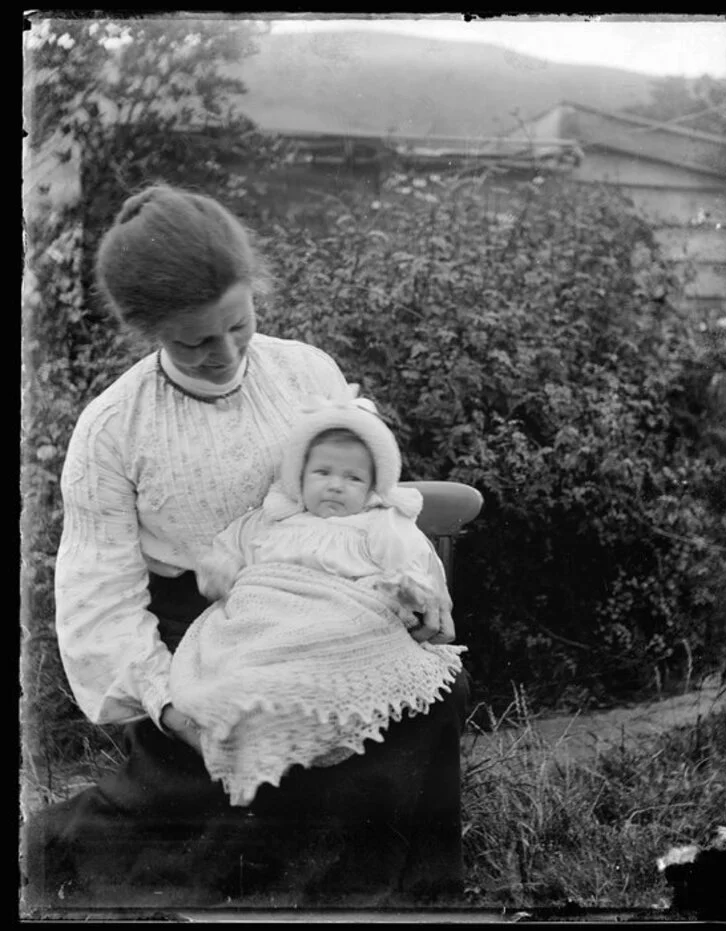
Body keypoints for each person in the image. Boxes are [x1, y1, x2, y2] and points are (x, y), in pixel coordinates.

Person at [22, 184, 469, 910]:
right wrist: (175, 708)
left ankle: (401, 904)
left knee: (422, 700)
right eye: (195, 341)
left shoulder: (307, 373)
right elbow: (98, 607)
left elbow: (375, 498)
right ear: (147, 331)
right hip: (204, 641)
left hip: (336, 610)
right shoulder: (112, 432)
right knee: (230, 804)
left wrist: (419, 596)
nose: (226, 353)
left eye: (240, 323)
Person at [169, 386, 466, 807]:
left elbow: (416, 569)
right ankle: (255, 720)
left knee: (348, 641)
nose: (335, 486)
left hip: (341, 622)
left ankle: (321, 721)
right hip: (270, 618)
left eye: (353, 478)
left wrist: (408, 590)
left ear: (373, 486)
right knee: (243, 660)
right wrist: (219, 573)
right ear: (299, 476)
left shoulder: (380, 525)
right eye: (322, 473)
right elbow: (229, 555)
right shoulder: (273, 520)